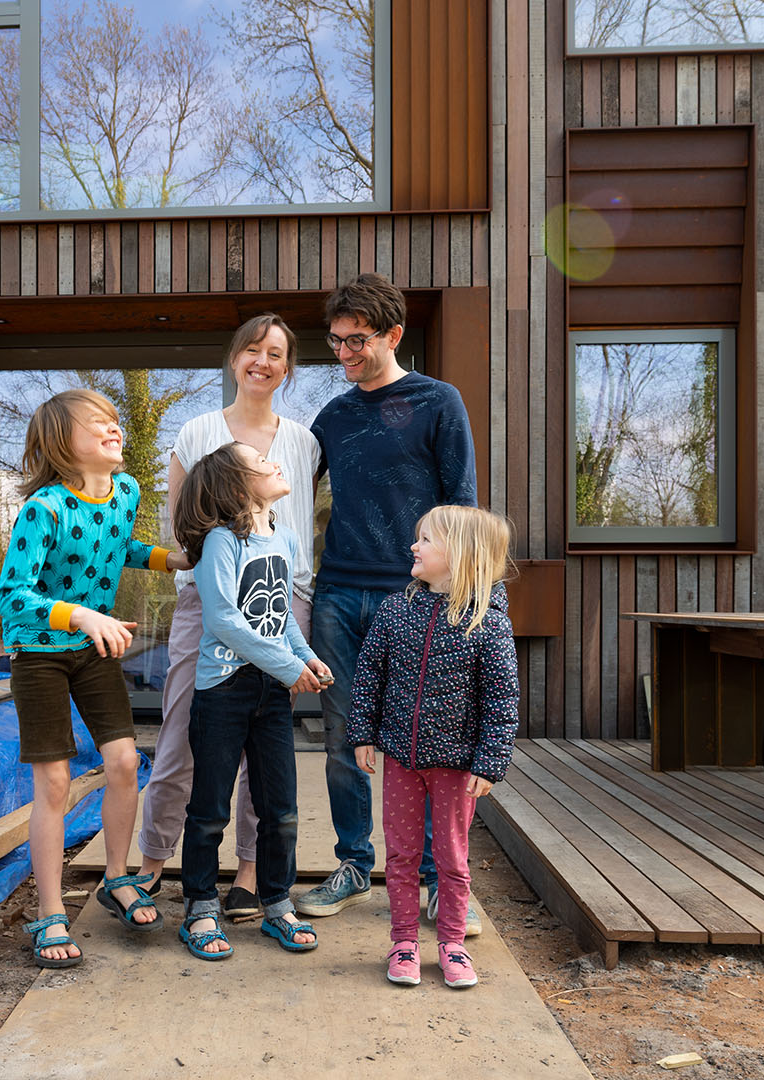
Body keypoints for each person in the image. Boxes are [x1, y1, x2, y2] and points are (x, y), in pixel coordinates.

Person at [297, 273, 482, 933]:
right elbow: (284, 488)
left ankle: (438, 880)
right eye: (336, 341)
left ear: (393, 335)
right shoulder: (333, 416)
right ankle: (352, 863)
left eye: (358, 341)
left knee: (423, 741)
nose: (344, 353)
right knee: (346, 736)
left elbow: (462, 506)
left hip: (415, 597)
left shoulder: (438, 402)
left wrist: (461, 595)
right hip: (339, 594)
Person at [0, 387, 188, 968]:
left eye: (113, 421)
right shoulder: (45, 508)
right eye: (96, 423)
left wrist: (169, 559)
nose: (113, 429)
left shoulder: (125, 491)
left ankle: (116, 877)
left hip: (96, 647)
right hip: (41, 652)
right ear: (63, 444)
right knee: (53, 782)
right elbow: (12, 597)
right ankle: (49, 911)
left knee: (126, 762)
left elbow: (117, 547)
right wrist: (80, 613)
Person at [136, 313, 320, 922]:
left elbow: (290, 525)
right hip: (208, 598)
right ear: (234, 358)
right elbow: (181, 520)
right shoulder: (196, 431)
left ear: (287, 368)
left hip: (282, 599)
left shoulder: (303, 440)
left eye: (276, 353)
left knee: (264, 745)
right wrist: (209, 570)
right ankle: (154, 861)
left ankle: (248, 874)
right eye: (253, 349)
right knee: (182, 727)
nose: (263, 361)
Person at [169, 443, 332, 959]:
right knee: (210, 808)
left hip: (271, 693)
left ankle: (276, 903)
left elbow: (279, 616)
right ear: (239, 486)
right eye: (260, 461)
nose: (274, 462)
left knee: (280, 809)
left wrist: (305, 658)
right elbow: (223, 620)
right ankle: (199, 906)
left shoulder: (282, 535)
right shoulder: (222, 541)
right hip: (223, 690)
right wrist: (287, 668)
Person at [349, 506, 518, 988]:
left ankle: (452, 946)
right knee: (401, 854)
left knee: (451, 857)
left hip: (456, 767)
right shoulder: (396, 609)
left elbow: (501, 696)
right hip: (402, 758)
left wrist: (490, 760)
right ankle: (403, 941)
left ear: (459, 555)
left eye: (425, 539)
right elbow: (369, 676)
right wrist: (362, 732)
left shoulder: (486, 621)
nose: (413, 547)